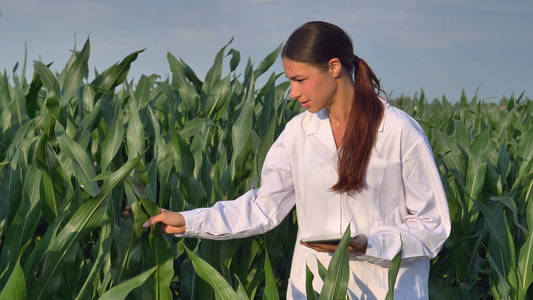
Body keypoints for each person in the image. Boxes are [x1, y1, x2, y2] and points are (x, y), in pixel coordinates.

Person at [139, 21, 451, 299]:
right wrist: (188, 220)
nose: (292, 92)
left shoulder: (398, 132)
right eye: (290, 81)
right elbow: (263, 207)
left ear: (333, 67)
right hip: (314, 290)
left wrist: (369, 243)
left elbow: (433, 226)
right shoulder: (297, 133)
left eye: (299, 79)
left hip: (387, 290)